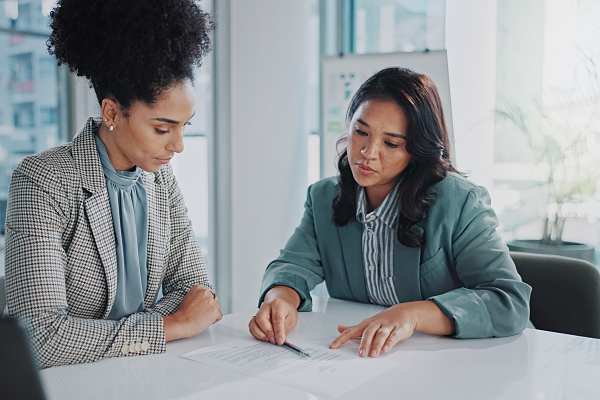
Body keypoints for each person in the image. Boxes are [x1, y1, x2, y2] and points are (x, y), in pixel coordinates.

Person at [249, 67, 531, 358]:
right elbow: (293, 266)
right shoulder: (323, 197)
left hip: (470, 361)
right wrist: (280, 297)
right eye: (360, 132)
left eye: (391, 143)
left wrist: (414, 314)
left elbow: (508, 301)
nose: (367, 152)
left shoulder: (461, 202)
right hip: (363, 361)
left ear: (417, 150)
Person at [4, 0, 221, 368]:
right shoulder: (42, 181)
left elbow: (196, 294)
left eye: (185, 127)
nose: (178, 145)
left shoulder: (160, 179)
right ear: (111, 113)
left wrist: (98, 334)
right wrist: (169, 325)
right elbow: (39, 337)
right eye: (162, 128)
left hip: (139, 373)